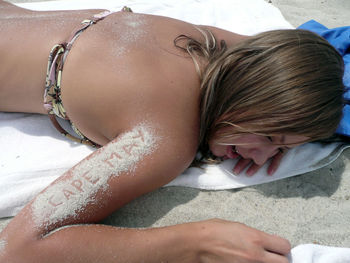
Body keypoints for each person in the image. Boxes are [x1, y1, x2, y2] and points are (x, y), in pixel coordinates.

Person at [0, 1, 345, 262]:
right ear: (248, 92)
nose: (262, 156)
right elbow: (17, 247)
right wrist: (198, 241)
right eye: (271, 137)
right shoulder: (166, 137)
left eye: (282, 151)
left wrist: (280, 132)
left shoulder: (231, 50)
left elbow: (302, 60)